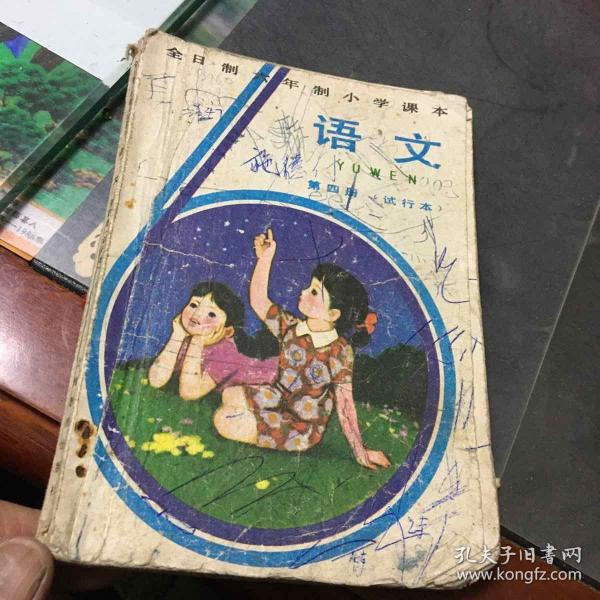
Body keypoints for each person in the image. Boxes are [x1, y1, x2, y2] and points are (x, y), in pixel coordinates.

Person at [213, 228, 391, 471]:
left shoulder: (340, 351)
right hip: (276, 397)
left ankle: (259, 425)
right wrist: (265, 258)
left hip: (301, 426)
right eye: (309, 287)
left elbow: (345, 405)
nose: (303, 291)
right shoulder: (291, 326)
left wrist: (361, 452)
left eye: (314, 292)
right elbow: (259, 301)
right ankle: (256, 419)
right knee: (229, 396)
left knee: (222, 419)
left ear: (333, 314)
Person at [148, 281, 278, 400]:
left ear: (228, 331)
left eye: (211, 314)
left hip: (274, 377)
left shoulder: (224, 353)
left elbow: (189, 393)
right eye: (194, 305)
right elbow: (155, 380)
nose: (196, 314)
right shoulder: (185, 339)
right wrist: (177, 335)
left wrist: (197, 343)